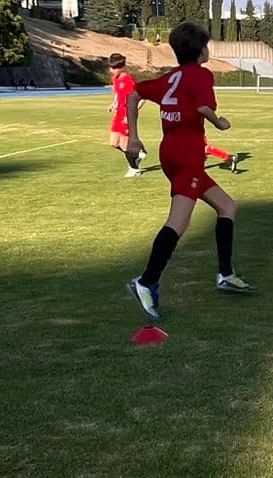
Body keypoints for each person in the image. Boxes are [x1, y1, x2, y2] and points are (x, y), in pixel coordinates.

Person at [125, 22, 255, 320]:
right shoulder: (201, 74)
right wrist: (220, 123)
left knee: (227, 206)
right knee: (179, 221)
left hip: (171, 151)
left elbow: (133, 95)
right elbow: (204, 109)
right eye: (206, 45)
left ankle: (226, 274)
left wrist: (134, 137)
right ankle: (146, 281)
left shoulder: (171, 77)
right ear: (199, 51)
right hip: (187, 154)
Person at [107, 53, 145, 176]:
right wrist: (113, 104)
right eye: (111, 67)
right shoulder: (115, 79)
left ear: (122, 67)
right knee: (113, 143)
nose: (112, 70)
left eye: (115, 68)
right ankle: (138, 151)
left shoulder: (128, 80)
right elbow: (117, 94)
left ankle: (134, 169)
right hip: (118, 114)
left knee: (124, 145)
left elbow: (142, 97)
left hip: (126, 115)